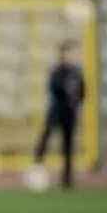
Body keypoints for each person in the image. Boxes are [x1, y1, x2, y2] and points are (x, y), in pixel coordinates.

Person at [34, 39, 86, 189]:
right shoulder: (57, 71)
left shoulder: (76, 71)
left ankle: (67, 177)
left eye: (72, 52)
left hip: (70, 113)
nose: (71, 55)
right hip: (56, 110)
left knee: (68, 145)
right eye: (69, 52)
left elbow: (83, 90)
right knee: (47, 135)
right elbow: (54, 88)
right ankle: (38, 163)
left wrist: (77, 102)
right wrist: (65, 91)